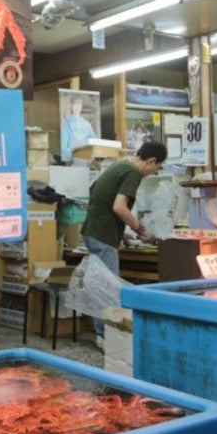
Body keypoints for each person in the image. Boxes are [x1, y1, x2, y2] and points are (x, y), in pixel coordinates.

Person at [83, 141, 167, 346]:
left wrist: (122, 235)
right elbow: (119, 208)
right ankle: (107, 338)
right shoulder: (133, 173)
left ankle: (102, 334)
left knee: (101, 285)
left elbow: (98, 197)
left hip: (94, 232)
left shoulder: (118, 166)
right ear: (152, 161)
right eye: (158, 167)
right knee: (109, 289)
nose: (155, 171)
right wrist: (142, 230)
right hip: (102, 236)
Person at [60, 96, 97, 163]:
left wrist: (90, 155)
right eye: (74, 104)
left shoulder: (87, 124)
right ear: (71, 106)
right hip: (72, 160)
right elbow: (64, 146)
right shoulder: (67, 124)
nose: (77, 106)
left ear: (81, 106)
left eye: (79, 104)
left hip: (86, 160)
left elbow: (94, 142)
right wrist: (74, 155)